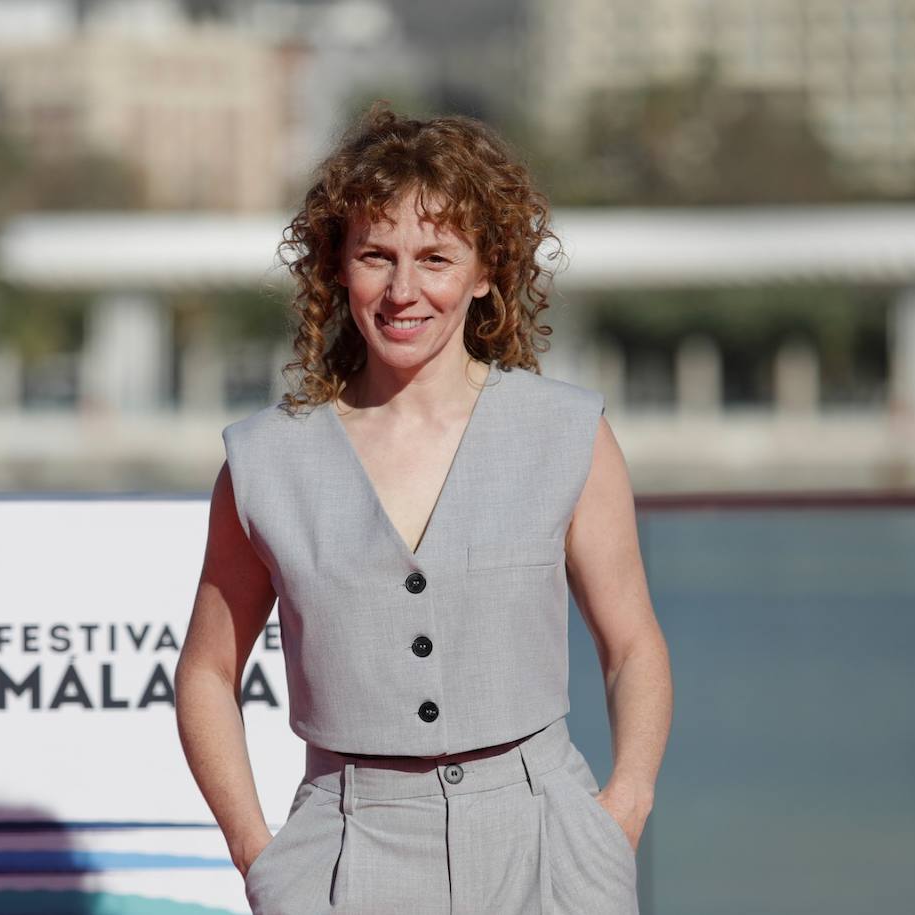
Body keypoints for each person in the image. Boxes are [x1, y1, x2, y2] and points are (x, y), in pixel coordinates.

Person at [175, 105, 672, 914]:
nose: (404, 290)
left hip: (546, 841)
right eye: (377, 255)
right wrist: (259, 853)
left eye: (435, 257)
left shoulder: (569, 433)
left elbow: (632, 644)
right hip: (342, 852)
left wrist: (622, 811)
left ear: (485, 271)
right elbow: (206, 669)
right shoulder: (264, 462)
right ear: (339, 267)